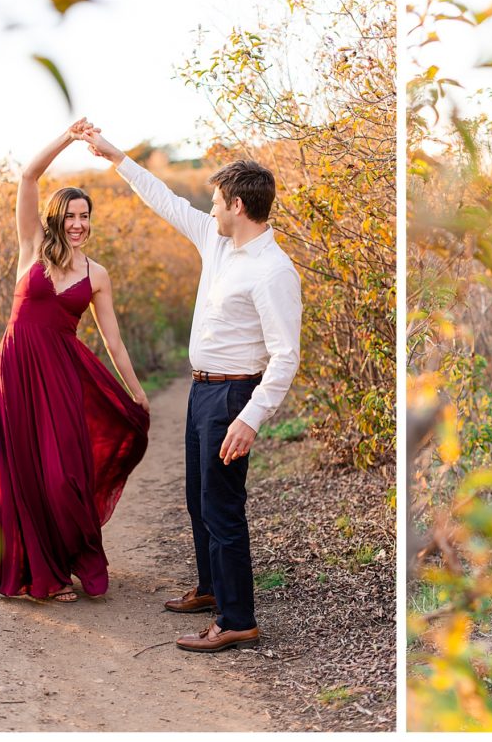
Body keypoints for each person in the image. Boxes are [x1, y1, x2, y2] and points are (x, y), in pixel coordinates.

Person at [76, 128, 302, 652]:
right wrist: (117, 157)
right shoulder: (216, 241)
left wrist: (251, 418)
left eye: (218, 200)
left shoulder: (273, 271)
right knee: (199, 500)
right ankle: (210, 589)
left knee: (222, 507)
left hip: (233, 398)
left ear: (238, 205)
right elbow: (165, 200)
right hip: (202, 392)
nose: (211, 207)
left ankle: (237, 618)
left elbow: (285, 356)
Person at [0, 118, 150, 603]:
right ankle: (47, 575)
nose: (79, 224)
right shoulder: (32, 248)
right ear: (57, 218)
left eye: (86, 217)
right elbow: (28, 177)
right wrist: (68, 136)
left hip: (61, 377)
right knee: (23, 475)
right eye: (72, 216)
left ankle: (73, 558)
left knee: (64, 478)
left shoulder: (96, 274)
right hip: (15, 369)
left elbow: (115, 343)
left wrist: (138, 393)